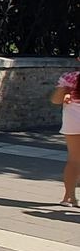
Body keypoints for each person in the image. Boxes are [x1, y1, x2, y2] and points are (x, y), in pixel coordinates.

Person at [51, 67, 80, 206]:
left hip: (73, 121)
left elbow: (56, 100)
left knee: (74, 160)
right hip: (73, 121)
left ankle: (69, 197)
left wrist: (65, 90)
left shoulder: (70, 77)